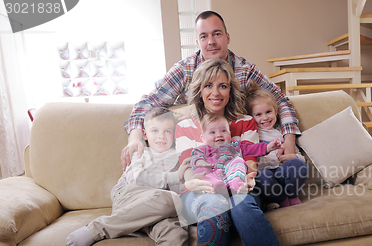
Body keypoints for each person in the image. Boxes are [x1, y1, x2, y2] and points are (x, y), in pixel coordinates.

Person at [176, 58, 305, 246]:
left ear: (230, 89)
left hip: (239, 182)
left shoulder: (245, 122)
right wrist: (192, 179)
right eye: (209, 85)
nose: (216, 92)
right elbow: (188, 167)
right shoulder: (185, 125)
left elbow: (251, 160)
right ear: (199, 88)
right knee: (213, 208)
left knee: (243, 207)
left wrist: (247, 176)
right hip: (201, 189)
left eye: (223, 85)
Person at [120, 10, 300, 173]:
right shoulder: (185, 70)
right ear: (197, 42)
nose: (211, 41)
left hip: (239, 147)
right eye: (204, 36)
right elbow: (148, 103)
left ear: (227, 37)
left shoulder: (245, 70)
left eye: (217, 34)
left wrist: (289, 142)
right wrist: (135, 137)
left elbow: (281, 102)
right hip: (202, 148)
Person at [66, 108, 189, 246]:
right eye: (155, 131)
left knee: (176, 235)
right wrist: (174, 178)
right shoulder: (141, 154)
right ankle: (97, 228)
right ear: (145, 134)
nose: (161, 136)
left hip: (157, 212)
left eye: (167, 131)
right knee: (171, 199)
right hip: (130, 197)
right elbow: (139, 180)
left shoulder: (179, 156)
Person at [245, 81, 309, 208]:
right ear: (251, 117)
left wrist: (293, 157)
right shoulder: (253, 134)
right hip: (266, 176)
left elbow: (300, 157)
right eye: (258, 114)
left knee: (299, 165)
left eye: (268, 112)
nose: (265, 118)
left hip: (282, 173)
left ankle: (292, 194)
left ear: (275, 111)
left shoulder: (281, 132)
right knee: (261, 177)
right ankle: (280, 198)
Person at [191, 112, 282, 195]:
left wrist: (268, 147)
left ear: (230, 133)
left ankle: (237, 184)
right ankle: (216, 186)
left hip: (230, 174)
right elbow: (195, 157)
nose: (219, 135)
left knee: (238, 161)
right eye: (212, 132)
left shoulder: (234, 146)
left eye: (223, 131)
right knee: (200, 171)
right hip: (213, 172)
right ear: (203, 138)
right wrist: (199, 162)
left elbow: (252, 148)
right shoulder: (203, 149)